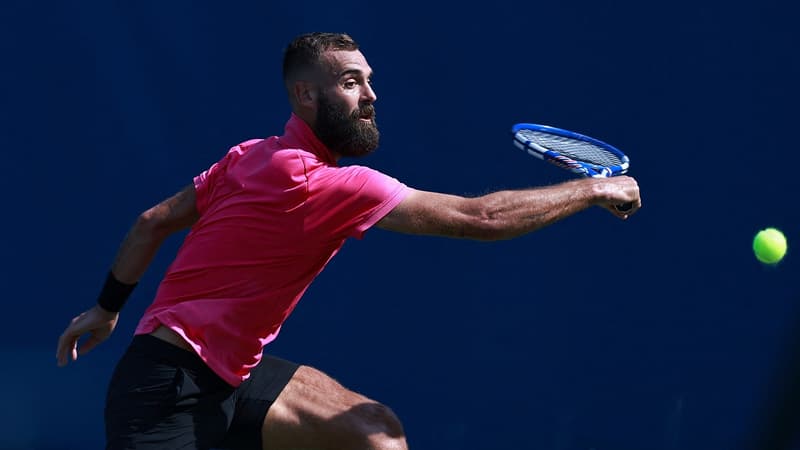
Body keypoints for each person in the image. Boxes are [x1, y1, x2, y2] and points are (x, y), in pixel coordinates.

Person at [56, 32, 641, 450]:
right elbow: (481, 218)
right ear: (306, 97)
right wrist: (590, 190)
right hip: (166, 393)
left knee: (374, 434)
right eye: (351, 82)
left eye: (369, 81)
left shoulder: (250, 156)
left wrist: (107, 309)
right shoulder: (320, 182)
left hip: (231, 373)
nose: (371, 96)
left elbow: (152, 221)